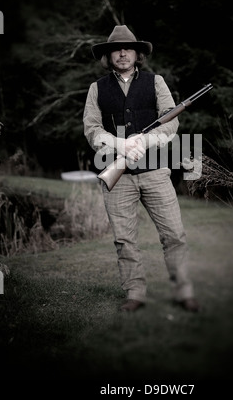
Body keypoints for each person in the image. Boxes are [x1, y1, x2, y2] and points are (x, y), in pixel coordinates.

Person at [83, 25, 199, 313]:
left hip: (156, 172)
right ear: (108, 57)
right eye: (116, 50)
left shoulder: (155, 82)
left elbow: (171, 121)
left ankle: (183, 291)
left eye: (128, 49)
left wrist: (145, 141)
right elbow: (91, 129)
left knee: (174, 234)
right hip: (117, 175)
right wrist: (119, 145)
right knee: (124, 240)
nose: (122, 53)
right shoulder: (96, 88)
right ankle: (135, 293)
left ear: (137, 54)